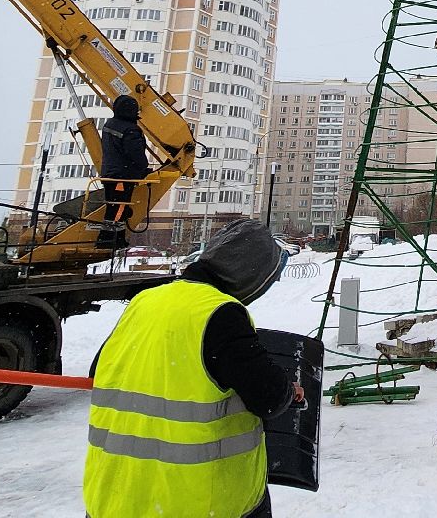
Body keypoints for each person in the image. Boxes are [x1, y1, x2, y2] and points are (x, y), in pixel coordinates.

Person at [85, 219, 302, 518]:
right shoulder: (219, 313)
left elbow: (101, 373)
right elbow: (269, 396)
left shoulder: (145, 301)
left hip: (116, 498)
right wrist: (289, 390)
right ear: (250, 277)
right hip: (198, 501)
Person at [98, 94, 150, 249]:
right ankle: (110, 239)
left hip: (110, 173)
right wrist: (143, 168)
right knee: (119, 208)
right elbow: (135, 153)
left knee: (115, 207)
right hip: (123, 175)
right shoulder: (130, 130)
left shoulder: (110, 124)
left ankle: (115, 237)